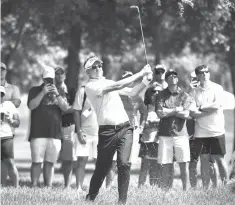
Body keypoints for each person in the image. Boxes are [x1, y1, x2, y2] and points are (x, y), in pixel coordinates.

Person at [83, 55, 152, 204]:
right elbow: (117, 86)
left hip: (125, 127)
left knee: (124, 163)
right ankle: (90, 197)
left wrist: (146, 81)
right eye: (93, 67)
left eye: (99, 65)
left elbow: (132, 93)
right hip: (107, 131)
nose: (98, 68)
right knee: (102, 167)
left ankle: (122, 201)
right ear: (88, 72)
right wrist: (140, 73)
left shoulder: (109, 81)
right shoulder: (90, 86)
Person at [27, 66, 69, 187]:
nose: (49, 82)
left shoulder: (60, 91)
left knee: (50, 162)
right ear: (42, 78)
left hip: (54, 133)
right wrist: (43, 92)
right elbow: (31, 106)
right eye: (47, 79)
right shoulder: (34, 90)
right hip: (37, 133)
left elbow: (65, 108)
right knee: (36, 162)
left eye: (51, 79)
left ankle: (48, 187)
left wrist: (57, 95)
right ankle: (34, 186)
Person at [189, 65, 228, 189]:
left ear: (209, 74)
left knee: (220, 160)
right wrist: (207, 109)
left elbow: (217, 105)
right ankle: (206, 188)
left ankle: (225, 186)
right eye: (201, 73)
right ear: (197, 76)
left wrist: (200, 108)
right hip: (201, 132)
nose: (204, 74)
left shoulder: (217, 88)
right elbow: (192, 112)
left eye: (206, 72)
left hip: (216, 130)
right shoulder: (194, 91)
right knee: (204, 160)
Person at [156, 69, 192, 190]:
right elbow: (160, 113)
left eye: (175, 75)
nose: (173, 77)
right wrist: (177, 110)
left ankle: (185, 191)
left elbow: (186, 115)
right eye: (170, 76)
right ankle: (166, 190)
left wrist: (169, 111)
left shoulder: (185, 95)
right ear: (166, 80)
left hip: (181, 133)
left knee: (183, 164)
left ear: (177, 79)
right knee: (166, 164)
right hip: (165, 134)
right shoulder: (160, 95)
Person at [138, 64, 167, 188]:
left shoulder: (164, 107)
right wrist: (144, 125)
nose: (155, 93)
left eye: (158, 92)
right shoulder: (146, 107)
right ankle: (141, 186)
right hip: (146, 138)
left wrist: (155, 123)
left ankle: (156, 186)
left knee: (157, 163)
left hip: (159, 138)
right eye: (153, 92)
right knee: (145, 163)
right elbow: (142, 122)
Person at [187, 71, 218, 188]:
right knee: (192, 163)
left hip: (206, 132)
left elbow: (209, 110)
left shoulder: (207, 93)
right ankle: (193, 188)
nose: (195, 80)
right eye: (192, 78)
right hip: (192, 135)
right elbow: (188, 111)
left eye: (196, 77)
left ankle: (213, 187)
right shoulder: (189, 93)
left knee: (210, 162)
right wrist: (191, 91)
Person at [73, 83, 99, 193]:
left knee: (99, 162)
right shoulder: (83, 92)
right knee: (81, 161)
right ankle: (79, 188)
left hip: (100, 133)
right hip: (84, 133)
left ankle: (97, 188)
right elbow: (77, 113)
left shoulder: (104, 91)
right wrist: (79, 131)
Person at [54, 66, 75, 188]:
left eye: (61, 73)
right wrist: (67, 109)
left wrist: (67, 109)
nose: (59, 75)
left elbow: (74, 108)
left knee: (68, 158)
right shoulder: (49, 91)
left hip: (67, 126)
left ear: (65, 76)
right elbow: (66, 108)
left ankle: (67, 186)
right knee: (50, 157)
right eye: (57, 74)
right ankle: (47, 184)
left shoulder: (72, 91)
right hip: (53, 127)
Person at [1, 62, 21, 186]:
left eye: (1, 94)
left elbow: (17, 103)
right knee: (2, 162)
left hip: (7, 135)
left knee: (8, 161)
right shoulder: (9, 101)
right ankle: (2, 185)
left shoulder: (9, 104)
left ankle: (16, 186)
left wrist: (10, 118)